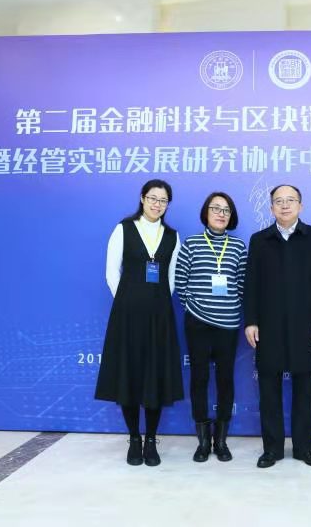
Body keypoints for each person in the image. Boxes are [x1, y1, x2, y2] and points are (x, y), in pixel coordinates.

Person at [244, 185, 311, 469]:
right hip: (268, 326)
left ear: (300, 206)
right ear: (271, 208)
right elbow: (251, 285)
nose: (285, 205)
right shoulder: (260, 240)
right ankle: (271, 450)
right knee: (269, 390)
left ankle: (305, 449)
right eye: (279, 201)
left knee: (305, 390)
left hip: (306, 326)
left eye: (290, 200)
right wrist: (251, 321)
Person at [95, 179, 183, 467]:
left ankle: (151, 440)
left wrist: (156, 302)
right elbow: (111, 272)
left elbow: (171, 277)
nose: (157, 204)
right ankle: (134, 438)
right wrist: (128, 301)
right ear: (143, 198)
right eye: (153, 198)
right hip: (127, 315)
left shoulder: (172, 236)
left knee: (155, 376)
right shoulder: (124, 229)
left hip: (160, 317)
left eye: (163, 200)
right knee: (129, 376)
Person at [175, 192, 247, 462]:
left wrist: (229, 308)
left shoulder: (238, 246)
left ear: (231, 216)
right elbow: (180, 282)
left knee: (225, 379)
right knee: (199, 379)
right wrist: (195, 308)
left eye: (226, 210)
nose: (221, 214)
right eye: (216, 208)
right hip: (198, 323)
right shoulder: (192, 244)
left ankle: (221, 441)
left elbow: (242, 284)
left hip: (228, 324)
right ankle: (203, 442)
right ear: (206, 212)